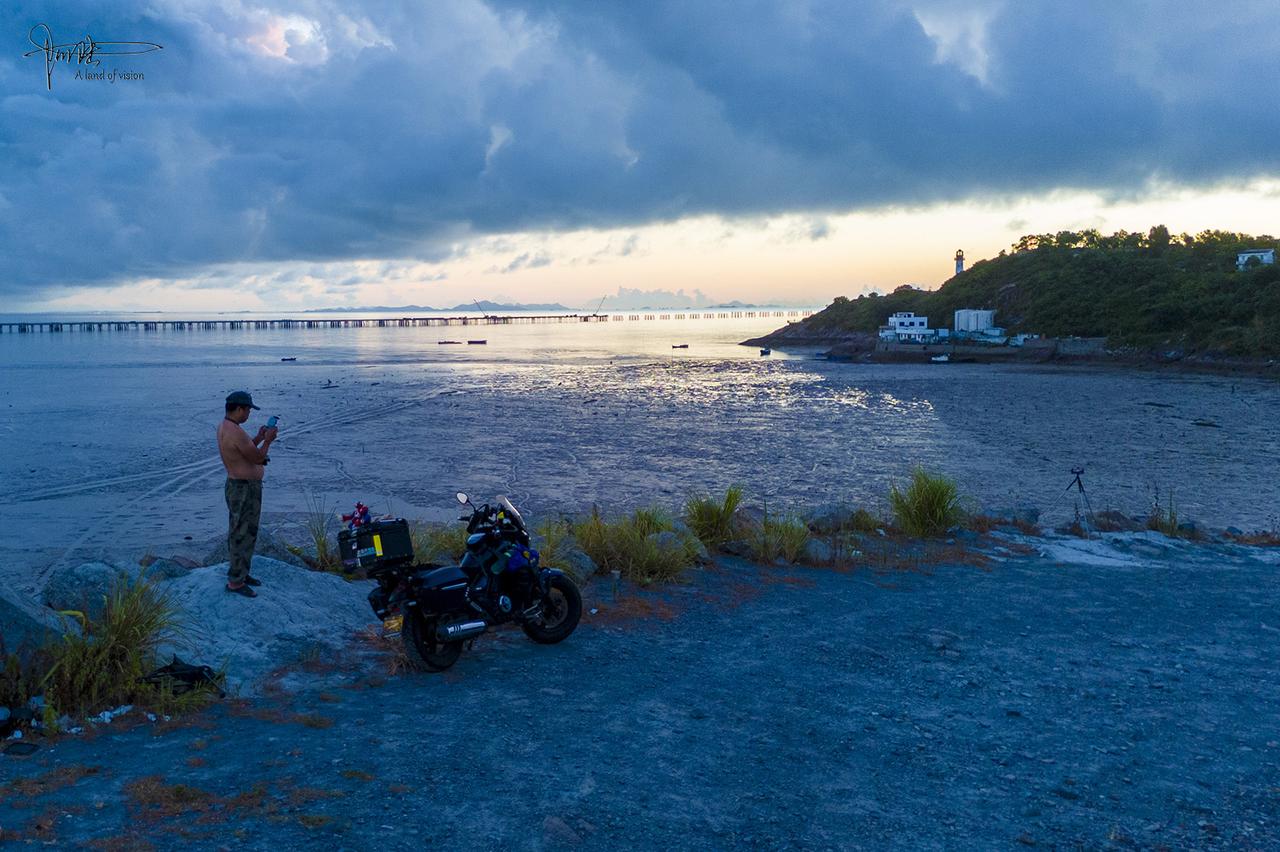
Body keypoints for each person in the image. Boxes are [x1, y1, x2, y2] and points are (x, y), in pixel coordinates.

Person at [217, 391, 277, 597]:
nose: (249, 414)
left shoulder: (226, 427)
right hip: (243, 489)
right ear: (240, 409)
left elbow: (245, 451)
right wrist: (268, 441)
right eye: (249, 409)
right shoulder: (235, 432)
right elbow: (258, 458)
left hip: (237, 485)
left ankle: (241, 574)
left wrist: (259, 437)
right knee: (241, 533)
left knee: (246, 531)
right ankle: (235, 582)